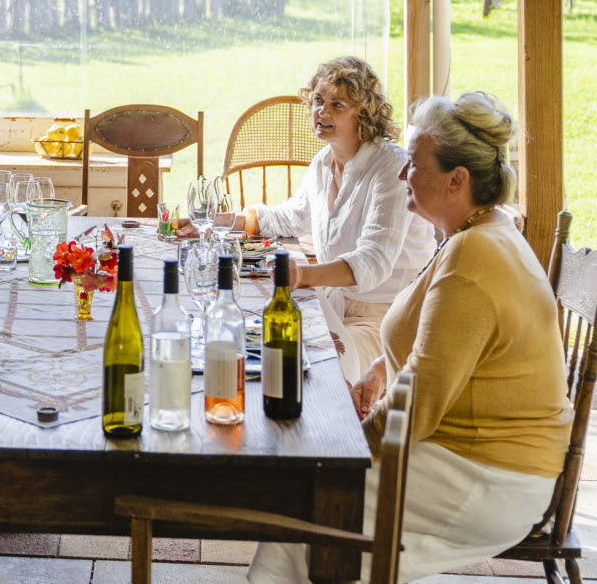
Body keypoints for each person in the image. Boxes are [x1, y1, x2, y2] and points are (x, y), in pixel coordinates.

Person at [249, 91, 572, 583]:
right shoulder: (478, 234)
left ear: (456, 179)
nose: (403, 173)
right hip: (471, 455)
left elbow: (419, 404)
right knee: (307, 485)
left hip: (488, 476)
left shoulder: (474, 255)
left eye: (415, 164)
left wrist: (345, 449)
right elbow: (444, 343)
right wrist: (380, 371)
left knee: (310, 499)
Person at [179, 56, 435, 380]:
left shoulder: (390, 167)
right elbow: (290, 217)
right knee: (248, 336)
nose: (322, 112)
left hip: (387, 321)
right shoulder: (323, 162)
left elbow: (373, 262)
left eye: (337, 104)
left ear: (364, 114)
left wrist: (301, 275)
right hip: (334, 306)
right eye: (317, 101)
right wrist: (216, 221)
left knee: (300, 367)